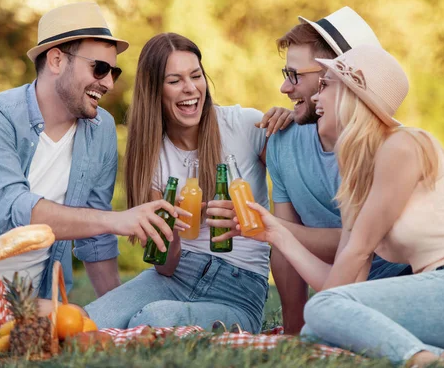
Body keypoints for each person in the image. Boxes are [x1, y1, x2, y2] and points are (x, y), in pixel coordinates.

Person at [223, 44, 444, 364]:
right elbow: (340, 285)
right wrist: (275, 234)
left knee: (322, 315)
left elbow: (350, 265)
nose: (317, 98)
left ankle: (427, 361)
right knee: (318, 327)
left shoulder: (402, 144)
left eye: (325, 86)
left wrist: (327, 309)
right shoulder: (357, 178)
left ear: (355, 93)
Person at [0, 2, 179, 300]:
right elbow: (14, 210)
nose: (108, 83)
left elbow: (96, 239)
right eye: (100, 68)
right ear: (56, 60)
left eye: (113, 72)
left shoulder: (100, 128)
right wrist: (118, 220)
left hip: (30, 302)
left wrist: (114, 312)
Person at [85, 32, 291, 333]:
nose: (190, 88)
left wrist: (291, 120)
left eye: (196, 75)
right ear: (155, 90)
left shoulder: (244, 125)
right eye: (175, 80)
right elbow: (164, 266)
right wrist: (173, 231)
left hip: (239, 288)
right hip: (174, 277)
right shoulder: (149, 154)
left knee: (152, 321)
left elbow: (299, 172)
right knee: (83, 325)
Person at [262, 6, 411, 334]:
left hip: (404, 284)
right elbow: (287, 250)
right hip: (340, 286)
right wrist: (293, 334)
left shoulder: (385, 150)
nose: (284, 89)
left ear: (339, 75)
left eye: (294, 76)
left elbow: (359, 243)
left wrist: (272, 229)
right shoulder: (282, 141)